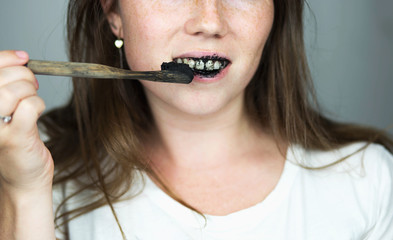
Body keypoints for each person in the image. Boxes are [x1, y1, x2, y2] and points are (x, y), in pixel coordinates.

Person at [1, 0, 392, 239]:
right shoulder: (34, 166)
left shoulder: (370, 182)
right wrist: (23, 193)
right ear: (113, 11)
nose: (210, 21)